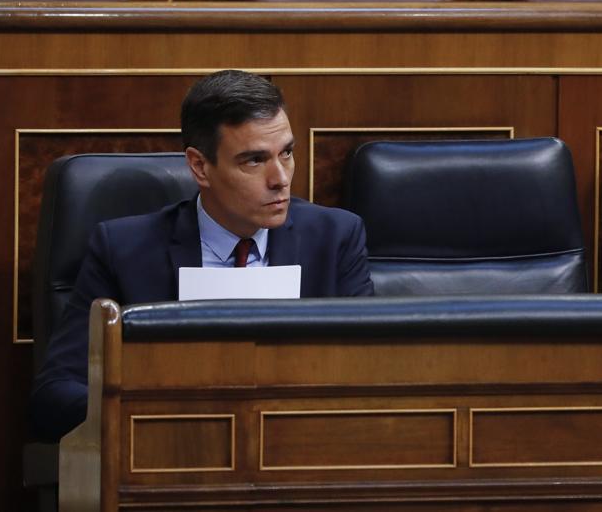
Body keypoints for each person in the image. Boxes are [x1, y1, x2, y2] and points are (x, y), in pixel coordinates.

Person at [29, 70, 373, 440]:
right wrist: (146, 413)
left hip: (301, 451)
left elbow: (374, 374)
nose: (281, 178)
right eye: (254, 161)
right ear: (199, 166)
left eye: (286, 153)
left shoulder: (335, 238)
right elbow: (55, 394)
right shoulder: (125, 250)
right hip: (170, 457)